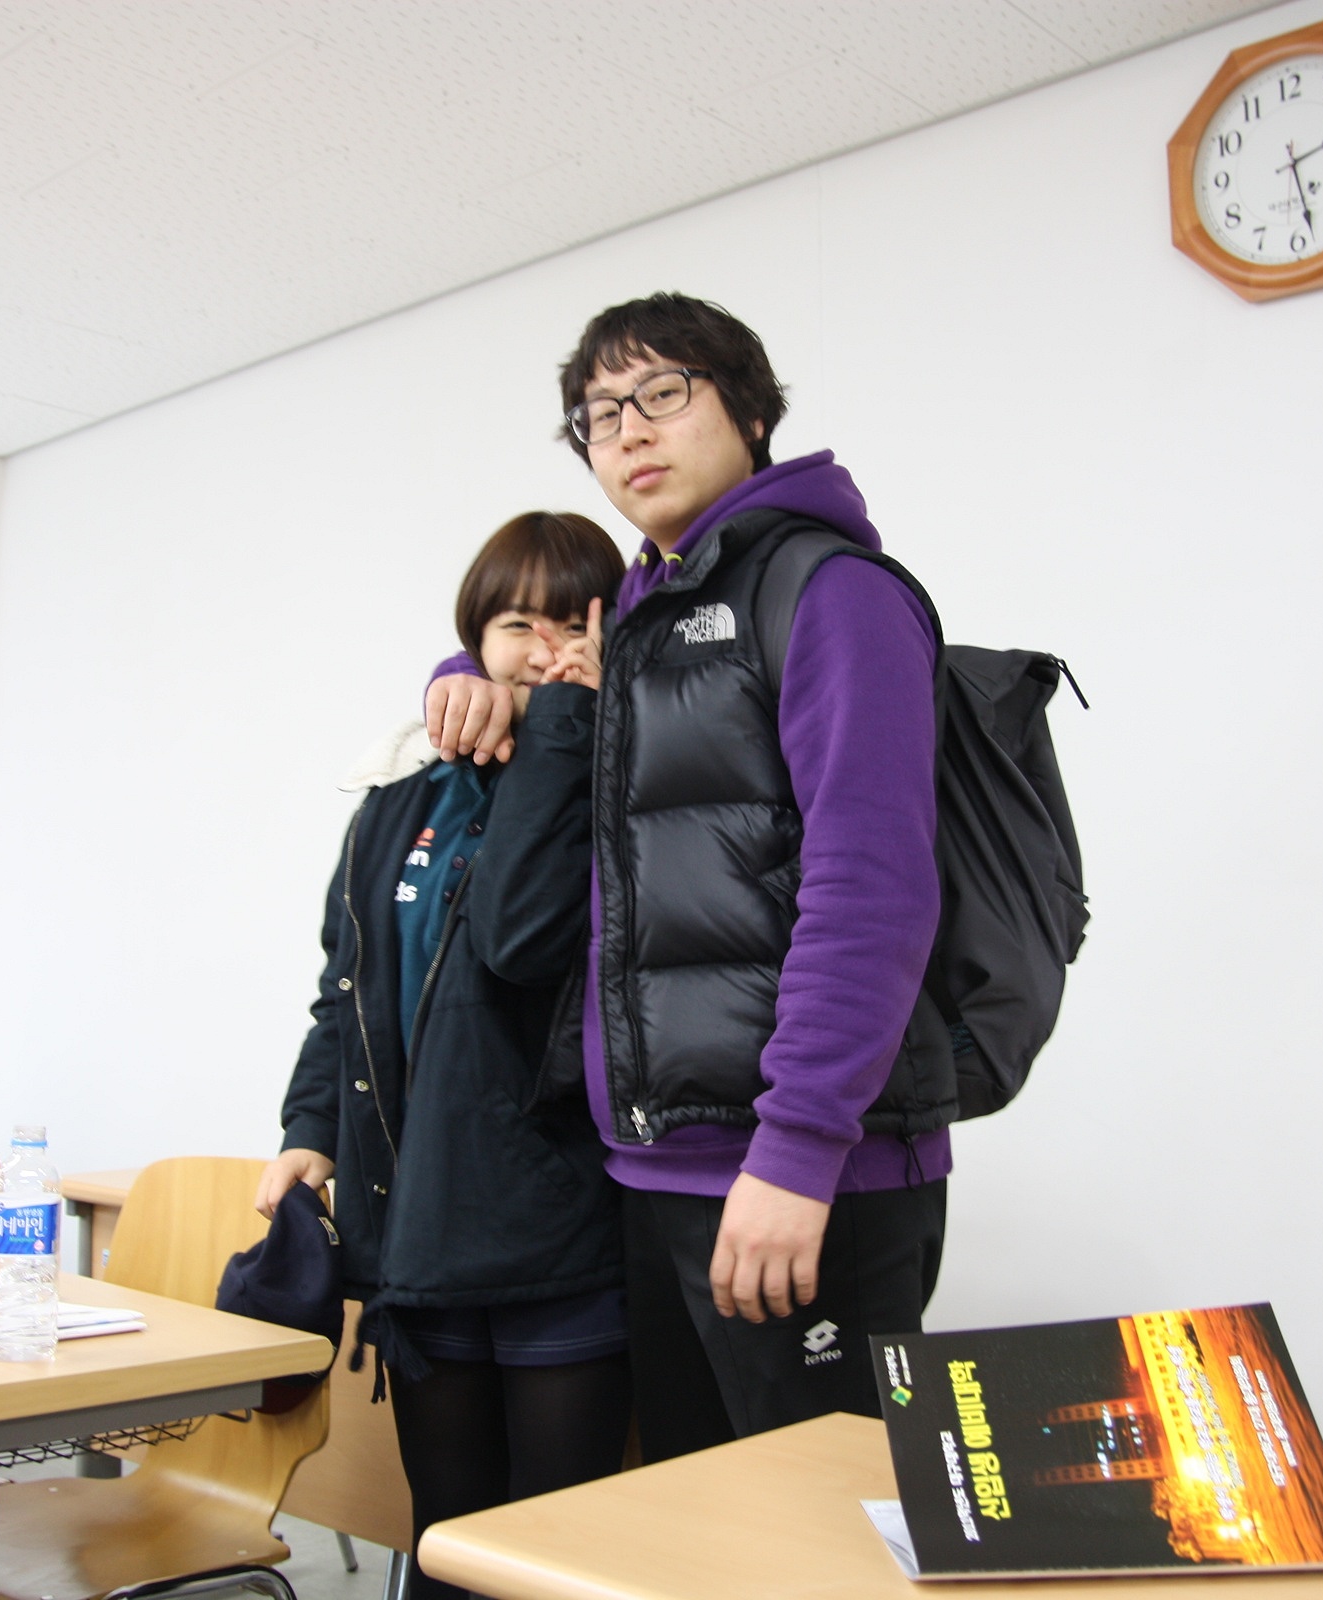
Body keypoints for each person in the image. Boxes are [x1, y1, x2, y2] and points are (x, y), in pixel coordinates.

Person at [424, 293, 948, 1461]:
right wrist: (466, 672)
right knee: (688, 1523)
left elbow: (873, 885)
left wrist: (798, 1147)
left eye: (663, 392)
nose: (630, 429)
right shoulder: (649, 612)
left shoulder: (831, 591)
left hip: (801, 1166)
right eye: (600, 414)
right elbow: (542, 640)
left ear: (751, 412)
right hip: (656, 1168)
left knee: (821, 1530)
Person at [262, 512, 629, 1600]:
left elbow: (523, 939)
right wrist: (309, 1130)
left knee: (553, 1555)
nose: (545, 647)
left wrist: (562, 725)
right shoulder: (401, 794)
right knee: (446, 1542)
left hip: (556, 1225)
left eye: (573, 623)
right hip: (416, 1222)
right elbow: (347, 988)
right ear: (474, 641)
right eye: (517, 624)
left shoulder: (621, 778)